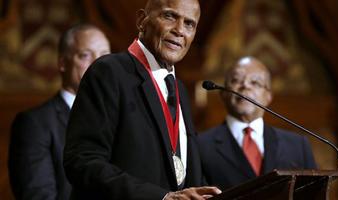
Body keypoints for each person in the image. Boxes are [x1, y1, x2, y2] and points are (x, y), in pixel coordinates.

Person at [63, 0, 222, 199]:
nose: (180, 30)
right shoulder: (109, 72)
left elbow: (184, 173)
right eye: (170, 16)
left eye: (189, 24)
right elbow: (82, 162)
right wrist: (162, 197)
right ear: (141, 21)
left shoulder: (179, 88)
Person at [8, 24, 111, 200]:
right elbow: (37, 195)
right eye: (85, 55)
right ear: (63, 63)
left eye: (104, 55)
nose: (98, 63)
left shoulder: (121, 116)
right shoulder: (35, 123)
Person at [197, 56, 317, 190]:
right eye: (236, 80)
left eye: (255, 82)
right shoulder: (200, 145)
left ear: (268, 96)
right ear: (223, 94)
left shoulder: (298, 146)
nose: (245, 86)